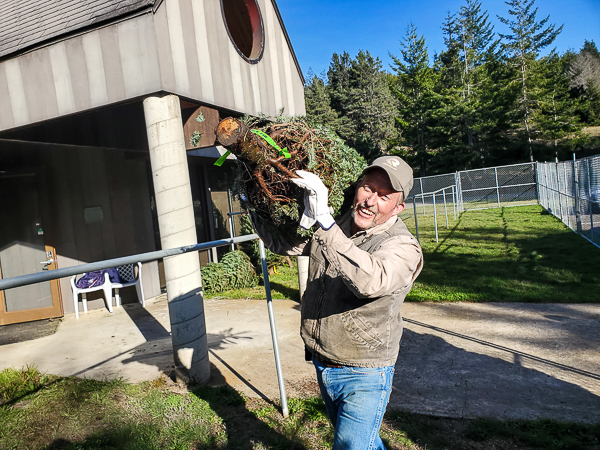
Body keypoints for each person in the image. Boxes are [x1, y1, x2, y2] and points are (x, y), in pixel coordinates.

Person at [252, 155, 423, 450]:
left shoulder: (402, 246)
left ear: (399, 207)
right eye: (368, 188)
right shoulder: (341, 223)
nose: (371, 201)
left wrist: (327, 224)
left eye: (384, 197)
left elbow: (370, 281)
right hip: (323, 360)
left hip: (365, 372)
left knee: (350, 446)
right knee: (361, 443)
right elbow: (286, 244)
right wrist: (254, 200)